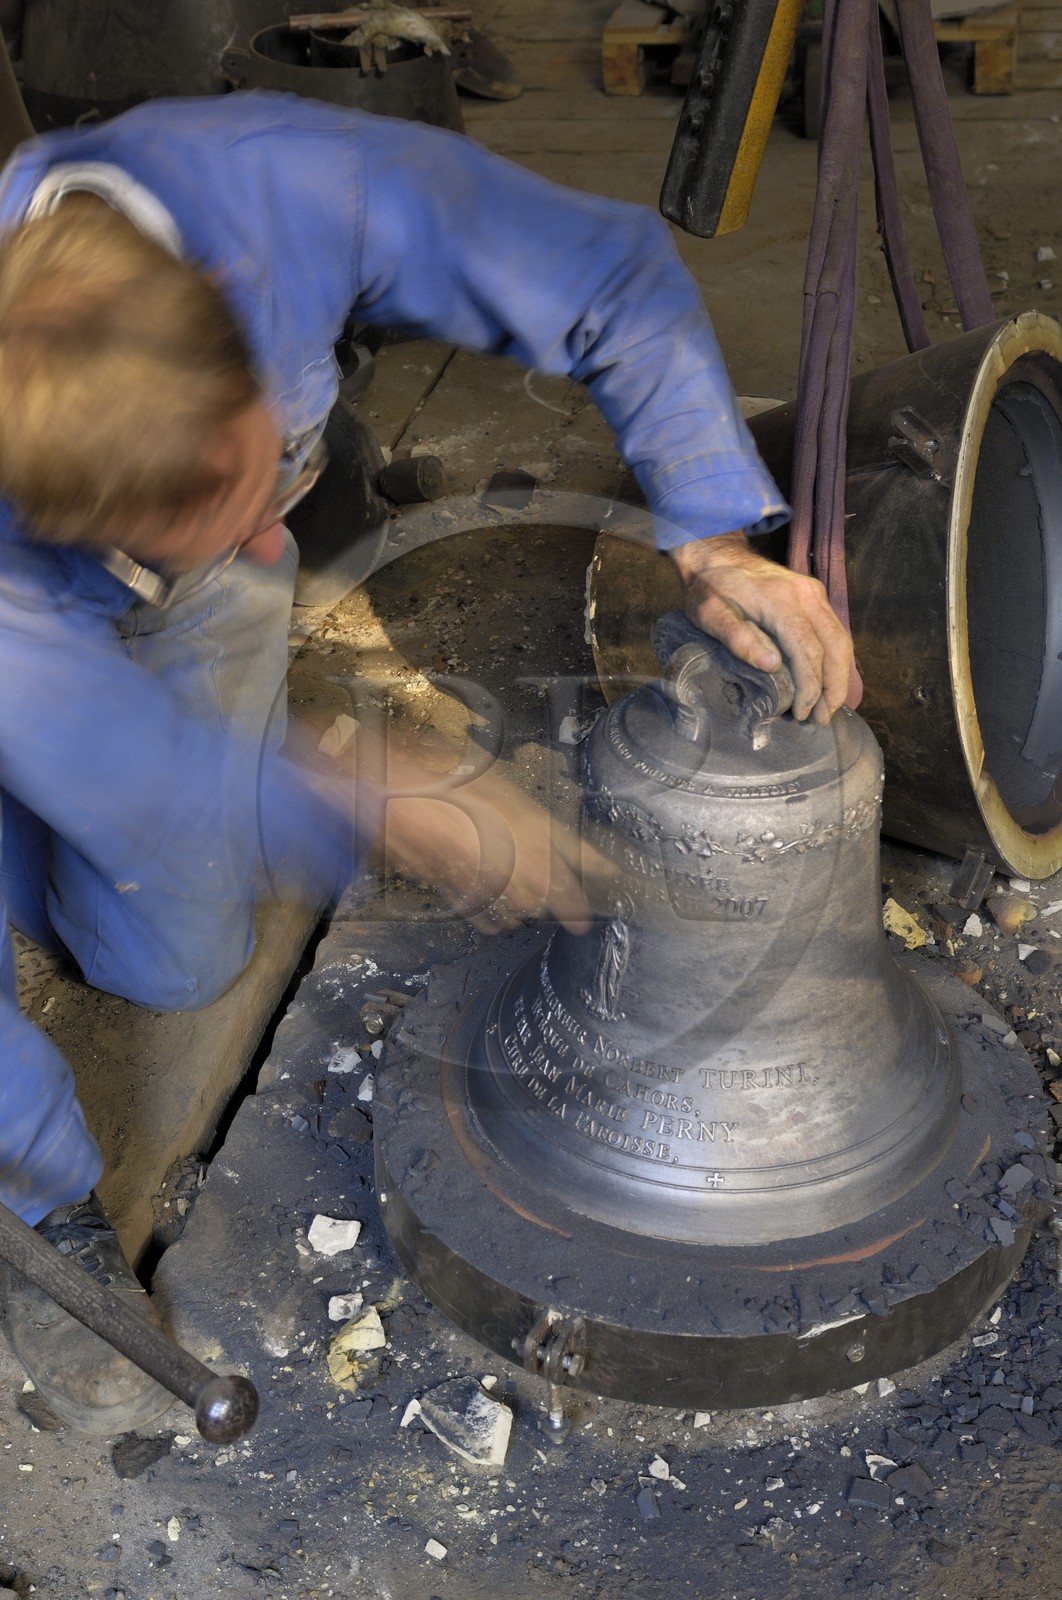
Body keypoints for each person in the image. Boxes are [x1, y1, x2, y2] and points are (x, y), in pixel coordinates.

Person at [0, 91, 854, 1432]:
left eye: (232, 471)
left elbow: (603, 269)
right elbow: (119, 761)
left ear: (231, 304)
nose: (228, 530)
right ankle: (42, 1208)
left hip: (117, 584)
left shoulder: (293, 190)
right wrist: (367, 789)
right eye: (170, 522)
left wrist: (708, 530)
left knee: (171, 961)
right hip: (22, 621)